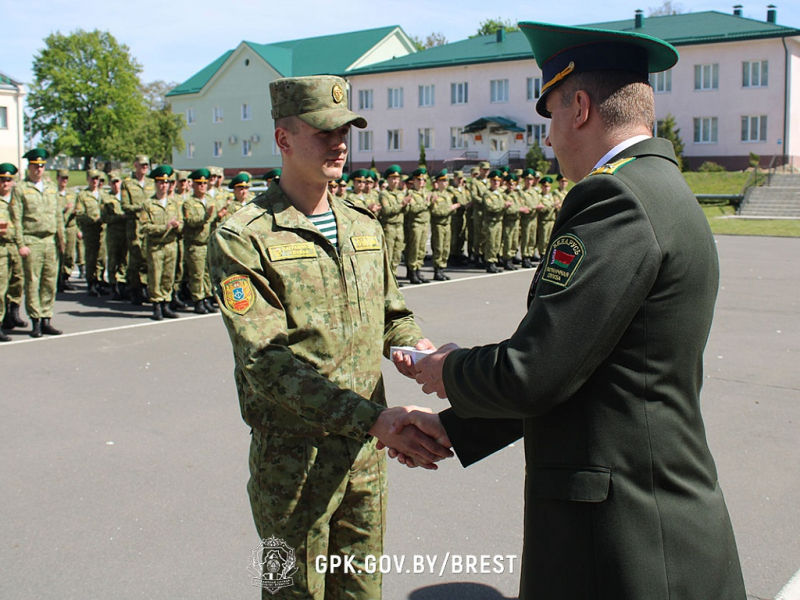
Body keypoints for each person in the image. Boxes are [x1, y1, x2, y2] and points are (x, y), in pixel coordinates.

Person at [392, 21, 747, 600]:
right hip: (644, 524)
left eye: (551, 116)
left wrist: (447, 371)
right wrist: (454, 429)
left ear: (579, 107)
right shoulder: (659, 187)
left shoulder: (617, 199)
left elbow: (537, 372)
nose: (550, 138)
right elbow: (587, 372)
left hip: (622, 541)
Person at [207, 75, 450, 600]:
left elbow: (392, 315)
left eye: (345, 130)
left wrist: (418, 352)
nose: (338, 142)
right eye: (322, 131)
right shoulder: (242, 235)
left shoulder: (364, 225)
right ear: (284, 139)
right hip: (289, 465)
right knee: (285, 592)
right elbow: (265, 361)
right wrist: (375, 419)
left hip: (365, 454)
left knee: (362, 590)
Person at [139, 165, 183, 321]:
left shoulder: (174, 204)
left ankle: (166, 303)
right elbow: (145, 227)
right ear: (155, 184)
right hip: (156, 246)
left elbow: (182, 222)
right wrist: (164, 227)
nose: (163, 185)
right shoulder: (148, 204)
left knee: (168, 276)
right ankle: (156, 305)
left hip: (171, 245)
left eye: (166, 182)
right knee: (156, 276)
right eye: (160, 182)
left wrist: (178, 226)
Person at [121, 155, 154, 305]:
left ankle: (145, 287)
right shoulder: (128, 184)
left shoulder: (151, 183)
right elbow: (125, 206)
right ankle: (135, 290)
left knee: (147, 258)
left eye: (146, 165)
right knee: (135, 259)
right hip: (134, 225)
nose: (144, 167)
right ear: (135, 165)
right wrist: (140, 208)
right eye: (141, 165)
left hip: (148, 225)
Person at [75, 169, 108, 297]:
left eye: (97, 179)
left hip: (102, 231)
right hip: (90, 230)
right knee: (90, 258)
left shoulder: (103, 194)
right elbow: (79, 213)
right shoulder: (83, 195)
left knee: (101, 257)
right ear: (88, 179)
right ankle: (91, 283)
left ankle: (100, 281)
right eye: (92, 178)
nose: (95, 181)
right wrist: (93, 218)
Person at [102, 170, 129, 300]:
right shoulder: (107, 199)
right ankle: (113, 286)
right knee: (113, 260)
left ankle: (123, 285)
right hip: (113, 233)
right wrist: (119, 218)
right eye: (112, 182)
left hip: (125, 232)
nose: (115, 185)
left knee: (125, 260)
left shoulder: (125, 197)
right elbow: (104, 217)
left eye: (117, 182)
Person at [0, 163, 18, 341]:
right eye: (2, 180)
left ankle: (12, 314)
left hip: (16, 246)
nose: (6, 183)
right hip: (1, 247)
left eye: (8, 180)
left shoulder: (16, 200)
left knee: (17, 283)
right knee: (0, 287)